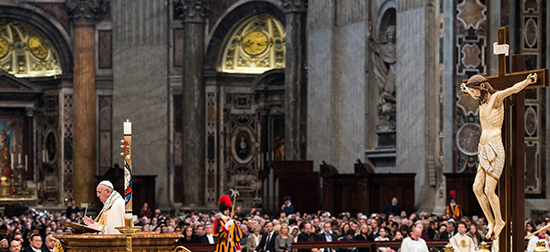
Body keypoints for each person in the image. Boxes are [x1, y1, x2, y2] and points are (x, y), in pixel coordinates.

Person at [461, 73, 538, 240]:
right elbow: (470, 91)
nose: (473, 95)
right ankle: (491, 221)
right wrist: (466, 88)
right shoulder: (481, 103)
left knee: (489, 189)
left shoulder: (496, 98)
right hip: (483, 148)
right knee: (476, 188)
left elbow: (512, 89)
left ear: (482, 87)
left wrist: (526, 81)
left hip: (495, 147)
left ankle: (500, 221)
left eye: (475, 92)